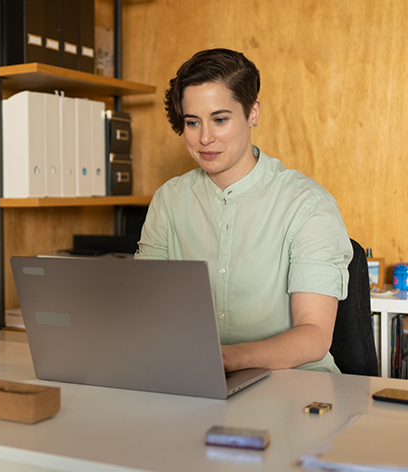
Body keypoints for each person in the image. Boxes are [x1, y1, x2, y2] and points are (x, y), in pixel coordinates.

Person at [134, 48, 353, 373]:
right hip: (196, 380)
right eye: (192, 122)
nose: (205, 138)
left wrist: (232, 358)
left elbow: (315, 336)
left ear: (253, 112)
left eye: (220, 119)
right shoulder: (169, 200)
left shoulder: (307, 204)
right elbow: (145, 305)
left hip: (294, 387)